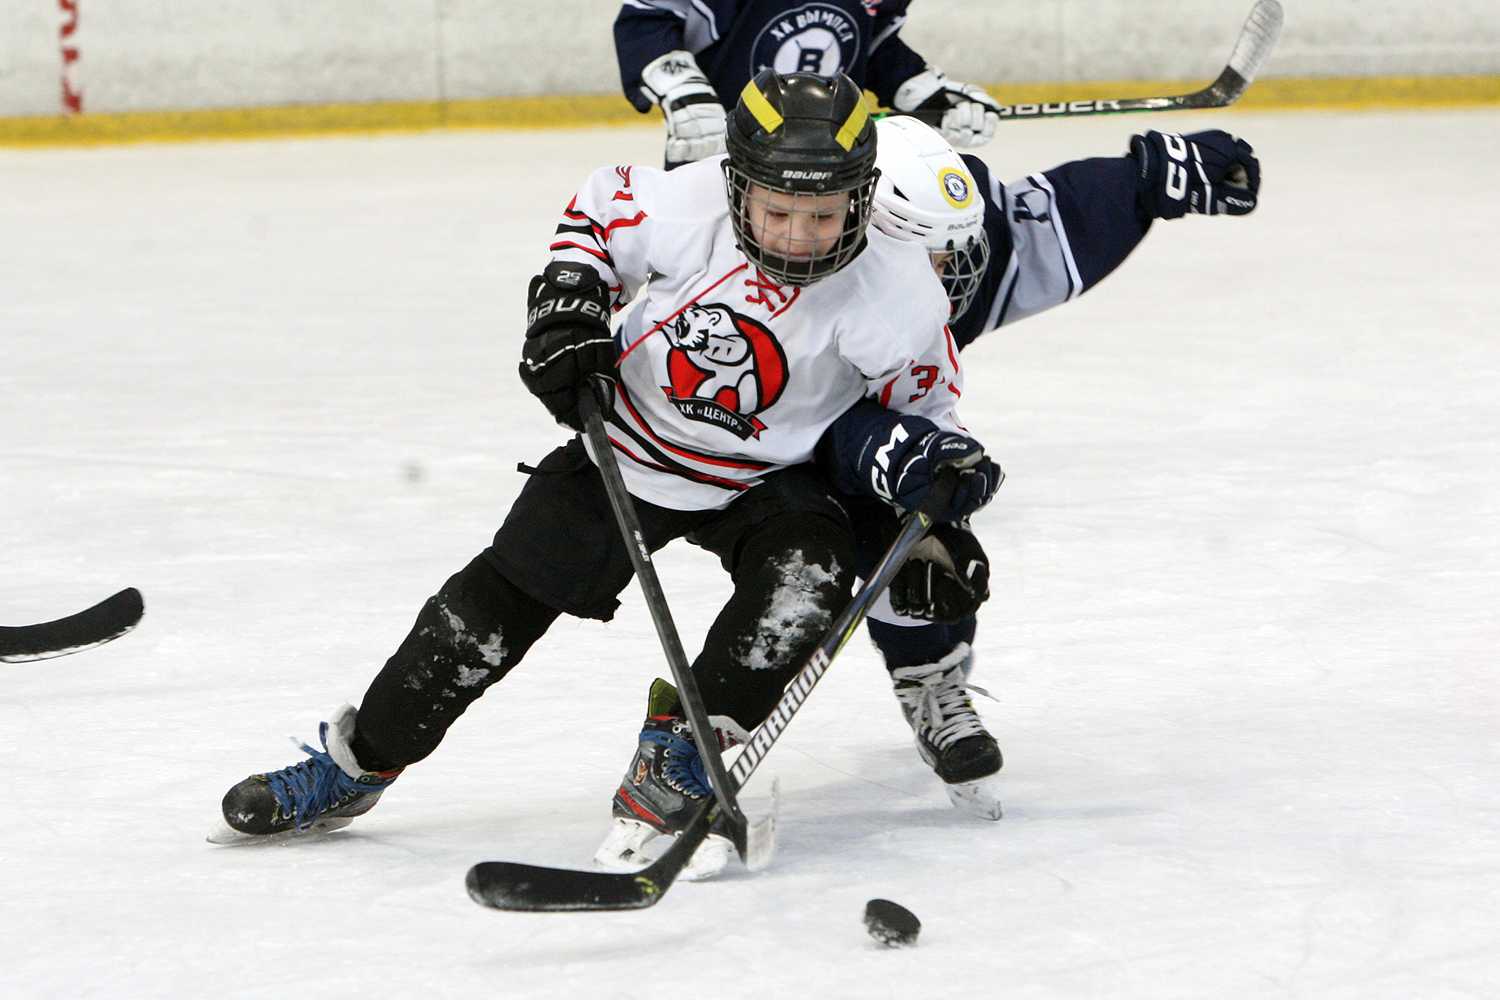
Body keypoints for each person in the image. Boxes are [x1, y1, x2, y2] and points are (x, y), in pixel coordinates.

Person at [211, 73, 1003, 878]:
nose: (799, 237)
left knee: (808, 581)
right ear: (735, 184)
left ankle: (681, 759)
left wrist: (937, 518)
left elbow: (927, 420)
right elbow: (596, 216)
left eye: (825, 215)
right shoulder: (686, 205)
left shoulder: (899, 293)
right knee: (482, 614)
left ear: (863, 199)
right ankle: (356, 765)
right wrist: (569, 302)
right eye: (776, 211)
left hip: (768, 478)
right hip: (628, 443)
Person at [814, 113, 1262, 818]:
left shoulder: (943, 253)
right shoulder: (791, 247)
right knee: (786, 570)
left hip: (869, 438)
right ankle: (704, 728)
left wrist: (1147, 180)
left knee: (925, 541)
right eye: (934, 257)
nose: (950, 278)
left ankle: (928, 672)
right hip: (742, 432)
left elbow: (1041, 226)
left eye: (955, 254)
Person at [614, 0, 1004, 167]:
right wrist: (682, 89)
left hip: (836, 170)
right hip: (720, 163)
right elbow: (649, 20)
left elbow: (872, 44)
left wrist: (925, 93)